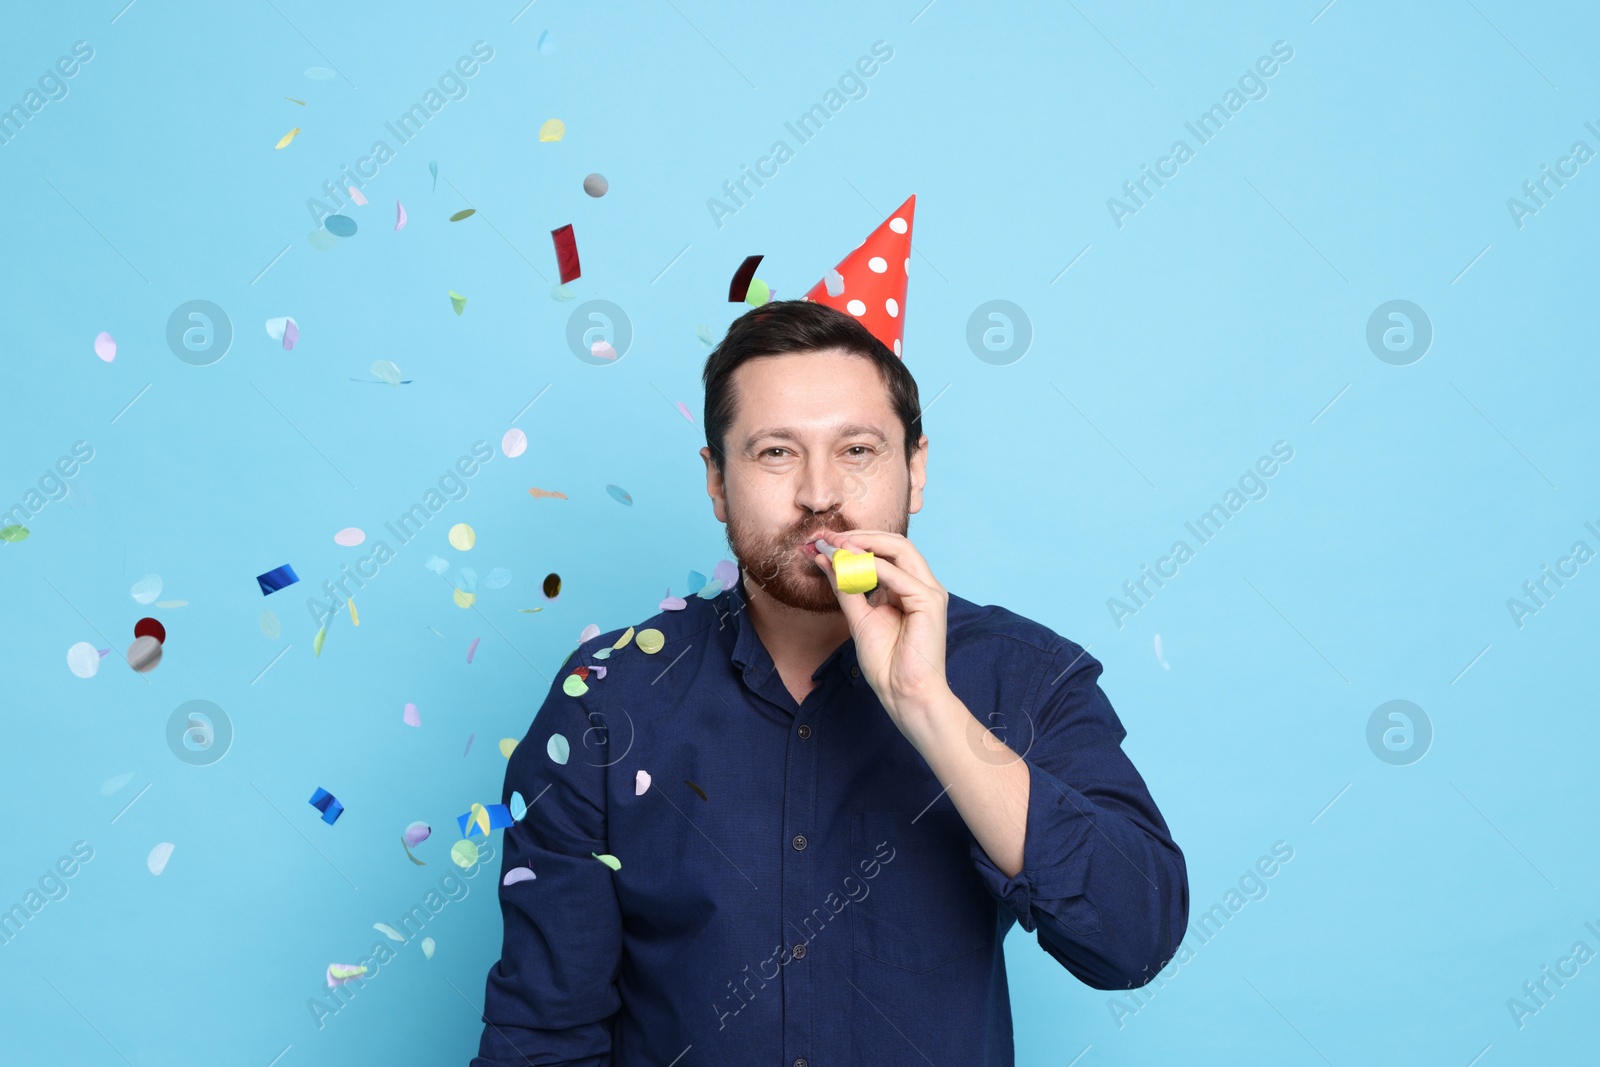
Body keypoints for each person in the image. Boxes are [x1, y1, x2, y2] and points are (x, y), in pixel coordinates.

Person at [472, 203, 1187, 1066]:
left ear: (914, 469)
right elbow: (544, 1037)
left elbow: (1134, 935)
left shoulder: (1021, 676)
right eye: (776, 453)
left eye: (857, 451)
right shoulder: (607, 699)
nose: (819, 494)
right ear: (716, 480)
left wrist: (926, 704)